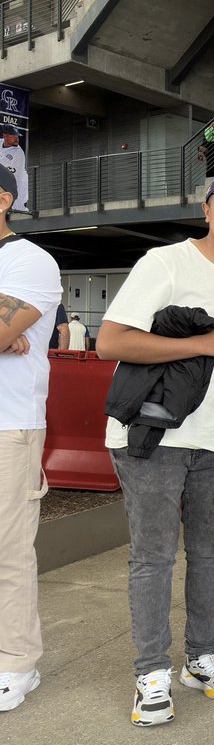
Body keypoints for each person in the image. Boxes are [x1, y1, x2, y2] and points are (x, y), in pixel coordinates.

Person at [97, 171, 214, 726]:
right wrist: (204, 342)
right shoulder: (164, 262)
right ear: (206, 209)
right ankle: (151, 671)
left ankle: (201, 657)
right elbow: (110, 342)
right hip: (153, 434)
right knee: (153, 556)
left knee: (212, 553)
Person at [0, 168, 61, 712]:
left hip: (8, 426)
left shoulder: (28, 260)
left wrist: (8, 332)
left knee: (6, 549)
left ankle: (16, 662)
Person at [0, 124, 29, 212]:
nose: (17, 139)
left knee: (18, 209)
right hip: (6, 186)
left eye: (17, 136)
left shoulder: (18, 153)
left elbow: (5, 173)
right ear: (5, 136)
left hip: (17, 184)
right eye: (13, 136)